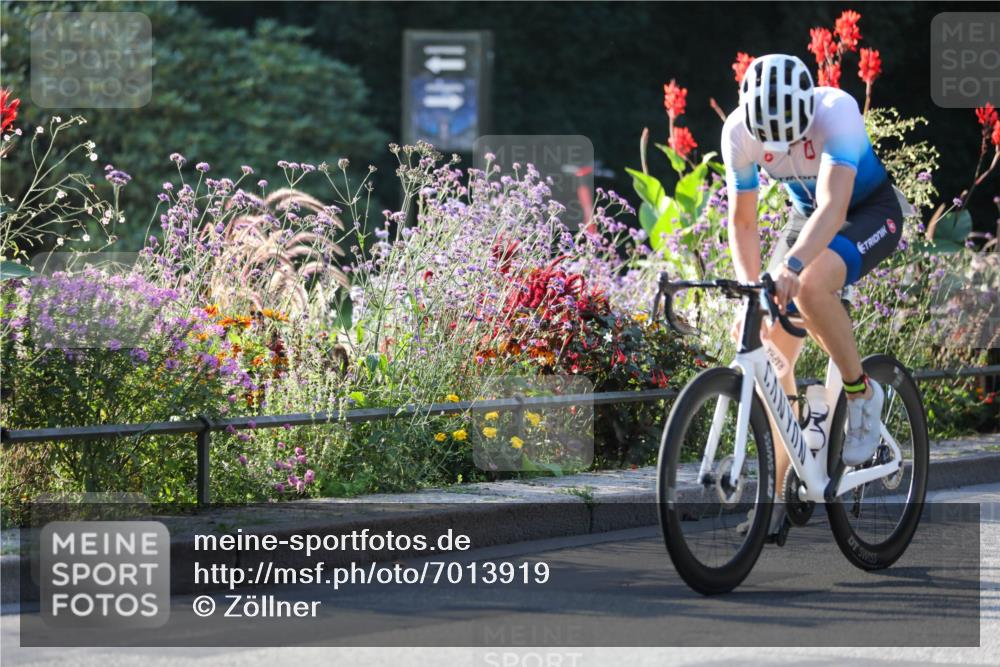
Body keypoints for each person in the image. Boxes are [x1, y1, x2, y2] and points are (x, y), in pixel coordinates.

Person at [721, 54, 904, 527]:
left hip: (866, 211)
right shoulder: (737, 132)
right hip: (806, 219)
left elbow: (833, 206)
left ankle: (861, 393)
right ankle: (781, 488)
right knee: (766, 342)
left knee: (809, 286)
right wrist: (752, 291)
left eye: (793, 137)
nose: (782, 148)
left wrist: (793, 267)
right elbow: (743, 222)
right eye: (771, 141)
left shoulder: (836, 110)